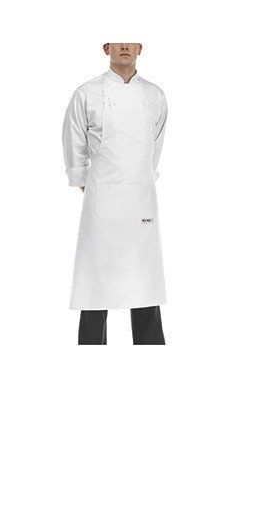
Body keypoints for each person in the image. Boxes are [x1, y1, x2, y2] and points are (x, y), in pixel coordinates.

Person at [62, 42, 168, 345]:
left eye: (130, 40)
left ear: (140, 48)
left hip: (141, 203)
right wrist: (82, 178)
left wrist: (140, 178)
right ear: (106, 47)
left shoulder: (155, 96)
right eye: (117, 39)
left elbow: (154, 148)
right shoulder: (86, 94)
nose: (124, 46)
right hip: (101, 206)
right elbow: (74, 141)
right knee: (94, 290)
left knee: (145, 288)